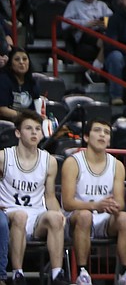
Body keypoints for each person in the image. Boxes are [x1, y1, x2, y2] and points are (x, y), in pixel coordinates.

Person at [61, 117, 126, 285]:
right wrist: (95, 206)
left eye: (107, 132)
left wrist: (114, 206)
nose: (102, 135)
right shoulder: (73, 162)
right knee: (85, 216)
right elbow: (67, 203)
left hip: (103, 218)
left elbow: (119, 202)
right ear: (87, 137)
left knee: (125, 218)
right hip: (75, 219)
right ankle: (83, 273)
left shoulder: (117, 165)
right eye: (97, 130)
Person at [0, 111, 68, 285]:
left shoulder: (49, 161)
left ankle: (56, 274)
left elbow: (50, 196)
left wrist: (59, 215)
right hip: (10, 213)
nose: (34, 133)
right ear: (17, 133)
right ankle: (18, 273)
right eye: (29, 128)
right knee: (21, 215)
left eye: (37, 129)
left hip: (37, 215)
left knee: (55, 217)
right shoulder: (3, 157)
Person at [0, 49, 40, 121]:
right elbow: (2, 109)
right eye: (17, 59)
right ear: (10, 64)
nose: (21, 62)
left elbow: (36, 108)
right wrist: (24, 117)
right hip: (7, 123)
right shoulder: (3, 80)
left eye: (24, 59)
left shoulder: (32, 82)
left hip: (27, 122)